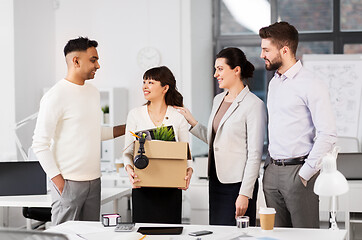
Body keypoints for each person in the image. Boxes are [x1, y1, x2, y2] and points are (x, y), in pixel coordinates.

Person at [32, 37, 126, 225]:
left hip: (95, 181)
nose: (98, 65)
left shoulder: (92, 92)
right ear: (76, 61)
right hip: (69, 182)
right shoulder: (55, 96)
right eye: (93, 60)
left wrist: (127, 127)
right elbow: (39, 144)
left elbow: (93, 133)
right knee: (64, 236)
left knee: (89, 234)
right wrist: (60, 183)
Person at [175, 47, 266, 226]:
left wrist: (244, 194)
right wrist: (191, 121)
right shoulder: (218, 100)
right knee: (218, 232)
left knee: (238, 235)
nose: (215, 74)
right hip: (216, 180)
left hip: (237, 185)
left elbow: (255, 155)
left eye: (220, 69)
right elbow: (217, 141)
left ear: (236, 70)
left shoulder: (254, 105)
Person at [259, 21, 337, 228]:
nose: (262, 55)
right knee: (276, 235)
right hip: (272, 171)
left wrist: (305, 174)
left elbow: (327, 134)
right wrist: (267, 171)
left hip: (299, 172)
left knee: (305, 235)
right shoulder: (274, 82)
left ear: (284, 50)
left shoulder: (312, 84)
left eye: (266, 50)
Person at [123, 66, 193, 224]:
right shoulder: (135, 114)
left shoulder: (177, 117)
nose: (145, 86)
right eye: (144, 82)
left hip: (171, 188)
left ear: (165, 88)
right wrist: (129, 171)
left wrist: (189, 171)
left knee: (169, 234)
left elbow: (186, 153)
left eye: (151, 82)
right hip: (142, 187)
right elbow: (127, 152)